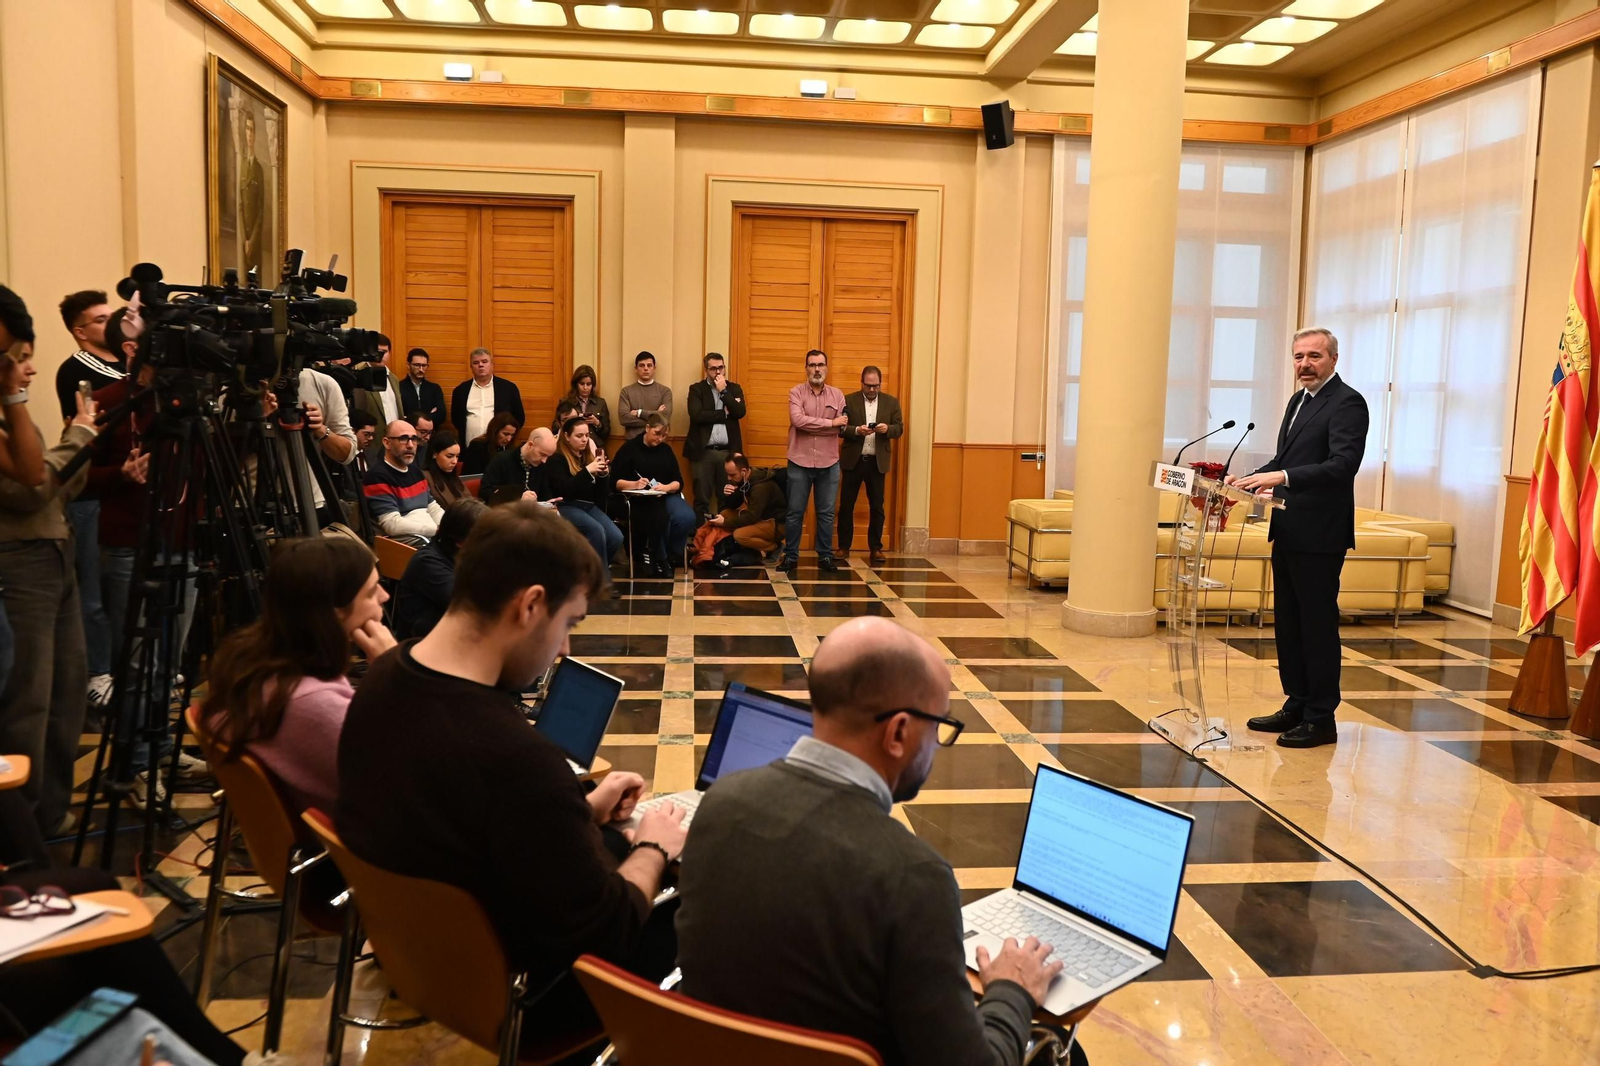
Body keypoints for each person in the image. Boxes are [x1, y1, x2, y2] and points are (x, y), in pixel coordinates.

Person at [336, 502, 687, 1049]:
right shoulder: (516, 758)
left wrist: (579, 808)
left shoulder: (379, 682)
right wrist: (655, 849)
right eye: (568, 624)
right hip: (527, 997)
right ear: (530, 606)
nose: (564, 648)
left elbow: (469, 824)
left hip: (424, 960)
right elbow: (610, 931)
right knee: (693, 902)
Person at [675, 616, 1070, 1066]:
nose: (937, 746)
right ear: (898, 732)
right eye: (938, 725)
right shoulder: (911, 877)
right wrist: (1012, 992)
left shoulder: (719, 804)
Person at [1231, 327, 1368, 750]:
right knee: (1289, 623)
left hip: (1320, 535)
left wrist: (1283, 476)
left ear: (1333, 360)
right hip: (1288, 527)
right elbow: (1286, 460)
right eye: (1298, 357)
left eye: (1314, 356)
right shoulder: (1297, 401)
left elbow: (1343, 465)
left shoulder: (1347, 402)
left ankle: (1321, 716)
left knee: (1316, 625)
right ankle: (1297, 701)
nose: (1304, 364)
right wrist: (1250, 479)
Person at [203, 537, 393, 816]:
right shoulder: (315, 703)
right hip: (356, 847)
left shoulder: (250, 658)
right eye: (371, 591)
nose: (384, 596)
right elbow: (399, 785)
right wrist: (393, 673)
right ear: (335, 612)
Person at [0, 297, 96, 836]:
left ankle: (51, 814)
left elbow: (50, 490)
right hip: (19, 565)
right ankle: (21, 825)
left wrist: (78, 447)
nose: (29, 368)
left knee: (66, 693)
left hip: (53, 552)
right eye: (19, 357)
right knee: (28, 704)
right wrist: (78, 439)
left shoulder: (17, 415)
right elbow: (29, 489)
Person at [53, 290, 123, 712]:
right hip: (92, 491)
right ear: (80, 331)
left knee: (123, 588)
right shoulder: (78, 369)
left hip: (128, 490)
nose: (109, 323)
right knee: (93, 590)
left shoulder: (128, 364)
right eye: (100, 319)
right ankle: (98, 672)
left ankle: (128, 667)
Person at [782, 349, 847, 575]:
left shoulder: (838, 395)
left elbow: (842, 426)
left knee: (827, 513)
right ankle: (790, 556)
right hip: (799, 461)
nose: (816, 369)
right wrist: (829, 424)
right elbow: (797, 421)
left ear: (827, 368)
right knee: (794, 512)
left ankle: (826, 556)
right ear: (806, 368)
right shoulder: (796, 392)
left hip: (829, 463)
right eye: (812, 365)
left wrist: (829, 425)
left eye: (820, 365)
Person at [393, 497, 487, 640]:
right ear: (460, 542)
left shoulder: (465, 554)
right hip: (421, 649)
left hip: (454, 640)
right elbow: (468, 605)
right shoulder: (427, 563)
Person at [614, 413, 695, 576]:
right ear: (647, 428)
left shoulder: (666, 450)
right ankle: (660, 557)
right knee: (660, 518)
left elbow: (678, 481)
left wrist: (666, 488)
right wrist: (635, 484)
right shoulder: (629, 449)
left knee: (687, 517)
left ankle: (667, 554)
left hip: (665, 494)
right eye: (657, 434)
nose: (660, 439)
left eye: (664, 436)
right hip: (639, 498)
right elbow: (615, 482)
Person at [840, 365, 904, 566]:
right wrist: (857, 431)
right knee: (846, 506)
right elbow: (841, 428)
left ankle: (876, 548)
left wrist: (887, 429)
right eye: (868, 386)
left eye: (876, 386)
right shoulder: (848, 400)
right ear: (861, 384)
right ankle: (843, 546)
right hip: (853, 460)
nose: (872, 390)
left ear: (880, 384)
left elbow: (899, 428)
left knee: (877, 507)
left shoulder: (891, 402)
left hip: (877, 462)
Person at [546, 417, 624, 572]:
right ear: (567, 436)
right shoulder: (557, 458)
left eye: (587, 436)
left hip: (588, 506)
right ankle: (601, 580)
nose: (584, 440)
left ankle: (590, 572)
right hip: (566, 505)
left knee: (616, 536)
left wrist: (602, 476)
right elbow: (565, 489)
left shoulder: (588, 457)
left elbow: (600, 496)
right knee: (596, 530)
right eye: (579, 436)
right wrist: (588, 471)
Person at [684, 352, 745, 523]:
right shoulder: (697, 389)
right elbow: (697, 415)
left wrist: (723, 392)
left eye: (721, 368)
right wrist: (725, 414)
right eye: (713, 369)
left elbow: (740, 412)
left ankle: (721, 543)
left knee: (726, 498)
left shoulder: (734, 389)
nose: (718, 372)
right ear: (706, 370)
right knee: (702, 498)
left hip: (728, 453)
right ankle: (699, 539)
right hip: (703, 453)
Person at [364, 419, 443, 542]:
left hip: (433, 538)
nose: (410, 445)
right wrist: (436, 530)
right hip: (411, 544)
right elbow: (393, 525)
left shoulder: (415, 470)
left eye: (414, 439)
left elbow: (433, 508)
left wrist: (449, 527)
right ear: (387, 443)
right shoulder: (377, 476)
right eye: (403, 438)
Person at [708, 453, 786, 555]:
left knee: (740, 535)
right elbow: (732, 506)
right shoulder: (745, 480)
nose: (728, 478)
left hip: (777, 525)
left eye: (732, 475)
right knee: (725, 514)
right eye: (727, 474)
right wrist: (729, 495)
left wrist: (725, 523)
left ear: (743, 471)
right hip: (761, 518)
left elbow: (751, 517)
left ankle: (775, 547)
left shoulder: (760, 487)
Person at [451, 347, 524, 444]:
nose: (480, 365)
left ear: (492, 365)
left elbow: (519, 418)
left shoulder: (508, 388)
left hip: (499, 448)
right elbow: (456, 419)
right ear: (471, 367)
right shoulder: (460, 390)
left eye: (484, 362)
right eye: (476, 363)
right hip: (470, 447)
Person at [482, 425, 557, 503]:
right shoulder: (501, 460)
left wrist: (548, 503)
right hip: (504, 512)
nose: (544, 461)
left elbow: (545, 494)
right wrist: (517, 498)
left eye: (548, 456)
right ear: (530, 445)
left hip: (532, 512)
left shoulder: (541, 465)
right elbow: (485, 493)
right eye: (542, 454)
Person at [354, 333, 404, 430]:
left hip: (395, 438)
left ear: (389, 353)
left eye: (384, 352)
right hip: (372, 438)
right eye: (377, 351)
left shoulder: (393, 379)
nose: (380, 356)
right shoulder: (359, 375)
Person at [618, 351, 672, 440]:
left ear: (654, 368)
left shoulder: (665, 391)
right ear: (636, 368)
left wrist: (639, 413)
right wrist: (656, 414)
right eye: (642, 365)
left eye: (649, 365)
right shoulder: (626, 391)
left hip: (657, 442)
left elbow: (665, 418)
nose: (646, 368)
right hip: (632, 443)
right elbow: (624, 419)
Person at [560, 363, 611, 441]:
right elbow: (555, 427)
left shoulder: (600, 403)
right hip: (572, 446)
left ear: (593, 385)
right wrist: (569, 421)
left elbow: (606, 433)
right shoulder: (566, 401)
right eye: (582, 384)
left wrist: (597, 423)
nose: (585, 387)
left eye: (589, 384)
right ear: (576, 384)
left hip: (595, 446)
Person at [399, 346, 446, 427]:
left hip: (430, 435)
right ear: (408, 365)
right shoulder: (398, 388)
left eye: (424, 365)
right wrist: (429, 416)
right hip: (407, 433)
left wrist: (412, 419)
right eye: (417, 365)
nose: (421, 369)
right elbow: (399, 415)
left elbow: (441, 415)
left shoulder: (434, 388)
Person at [422, 428, 469, 508]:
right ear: (434, 454)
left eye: (457, 456)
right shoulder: (424, 478)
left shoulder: (453, 477)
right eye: (449, 456)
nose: (455, 461)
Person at [462, 411, 518, 477]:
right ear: (494, 431)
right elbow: (471, 476)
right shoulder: (477, 446)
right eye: (505, 434)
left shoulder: (510, 449)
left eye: (512, 435)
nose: (509, 439)